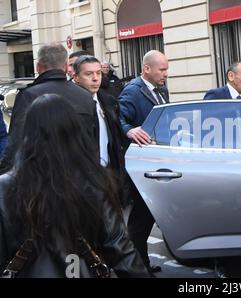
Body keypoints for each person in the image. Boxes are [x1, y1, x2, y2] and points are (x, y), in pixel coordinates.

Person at [0, 94, 149, 277]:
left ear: (27, 134)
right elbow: (122, 252)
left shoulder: (4, 187)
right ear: (75, 132)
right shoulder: (94, 182)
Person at [0, 43, 98, 175]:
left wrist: (5, 174)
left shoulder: (29, 95)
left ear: (38, 66)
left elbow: (16, 142)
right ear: (65, 66)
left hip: (42, 178)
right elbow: (94, 140)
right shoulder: (85, 96)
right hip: (81, 175)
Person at [119, 50, 169, 274]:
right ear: (147, 69)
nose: (166, 74)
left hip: (157, 161)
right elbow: (118, 118)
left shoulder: (161, 89)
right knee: (141, 217)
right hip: (141, 165)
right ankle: (135, 266)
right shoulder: (132, 91)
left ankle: (141, 264)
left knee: (147, 216)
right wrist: (129, 130)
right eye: (162, 69)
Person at [72, 55, 127, 205]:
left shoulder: (108, 101)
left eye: (98, 73)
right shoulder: (69, 106)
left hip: (110, 177)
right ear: (75, 77)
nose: (95, 78)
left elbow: (114, 140)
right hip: (84, 182)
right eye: (88, 74)